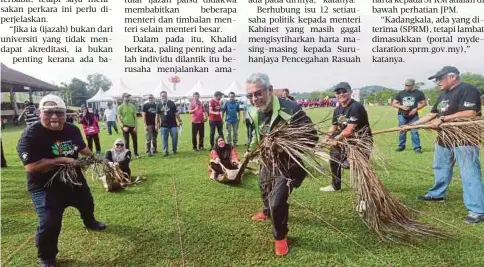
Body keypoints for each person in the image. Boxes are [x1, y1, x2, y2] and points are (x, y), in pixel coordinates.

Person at [16, 94, 105, 267]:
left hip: (73, 178)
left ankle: (89, 221)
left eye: (59, 112)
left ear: (66, 114)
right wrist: (61, 160)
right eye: (49, 113)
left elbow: (81, 146)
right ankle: (47, 257)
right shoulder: (30, 135)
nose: (54, 117)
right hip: (44, 185)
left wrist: (93, 156)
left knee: (87, 202)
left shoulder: (72, 129)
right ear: (40, 113)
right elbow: (31, 166)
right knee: (50, 221)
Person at [245, 73, 317, 256]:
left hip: (288, 162)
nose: (254, 99)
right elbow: (257, 133)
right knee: (263, 184)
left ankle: (280, 237)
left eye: (258, 93)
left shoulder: (290, 109)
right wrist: (251, 149)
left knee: (277, 201)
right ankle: (265, 211)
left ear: (270, 90)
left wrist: (284, 143)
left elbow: (312, 136)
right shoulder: (253, 111)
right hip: (267, 157)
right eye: (250, 95)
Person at [411, 66, 484, 224]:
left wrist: (443, 119)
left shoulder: (468, 89)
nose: (437, 83)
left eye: (440, 79)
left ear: (452, 77)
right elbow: (433, 114)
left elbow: (470, 113)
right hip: (444, 138)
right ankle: (436, 193)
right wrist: (413, 124)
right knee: (440, 167)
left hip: (464, 138)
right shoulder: (443, 95)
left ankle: (477, 210)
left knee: (469, 172)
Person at [319, 82, 373, 192]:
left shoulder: (356, 107)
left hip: (360, 142)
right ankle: (335, 186)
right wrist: (325, 139)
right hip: (345, 141)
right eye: (338, 92)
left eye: (344, 91)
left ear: (350, 92)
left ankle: (364, 197)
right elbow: (333, 127)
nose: (341, 94)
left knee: (357, 168)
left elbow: (349, 130)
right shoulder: (337, 110)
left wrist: (336, 139)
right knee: (334, 160)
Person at [391, 79, 427, 153]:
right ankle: (401, 146)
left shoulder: (419, 93)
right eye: (405, 85)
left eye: (408, 86)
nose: (406, 87)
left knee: (414, 131)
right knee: (402, 130)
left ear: (413, 85)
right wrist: (401, 107)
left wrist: (416, 109)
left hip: (414, 115)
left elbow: (424, 103)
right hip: (402, 114)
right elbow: (394, 103)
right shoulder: (401, 93)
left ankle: (417, 148)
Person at [156, 91, 183, 156]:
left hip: (173, 124)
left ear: (167, 96)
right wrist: (156, 124)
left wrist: (179, 120)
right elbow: (157, 115)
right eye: (162, 96)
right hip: (163, 125)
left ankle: (174, 150)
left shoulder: (171, 103)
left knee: (174, 138)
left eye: (165, 95)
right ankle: (165, 151)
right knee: (164, 139)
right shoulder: (159, 104)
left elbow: (176, 113)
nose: (164, 97)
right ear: (160, 97)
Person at [117, 93, 140, 158]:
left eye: (128, 97)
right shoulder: (120, 107)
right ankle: (127, 155)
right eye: (126, 97)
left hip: (133, 126)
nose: (128, 98)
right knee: (126, 142)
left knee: (135, 140)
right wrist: (123, 126)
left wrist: (136, 126)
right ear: (123, 98)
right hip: (125, 126)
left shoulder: (132, 106)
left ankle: (136, 153)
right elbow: (118, 118)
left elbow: (135, 117)